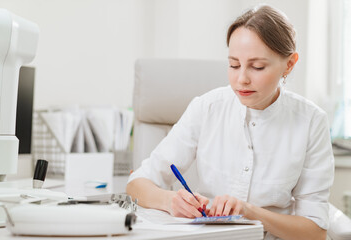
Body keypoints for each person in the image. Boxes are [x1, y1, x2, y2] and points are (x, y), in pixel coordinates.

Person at [126, 5, 334, 240]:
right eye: (234, 65)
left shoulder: (311, 122)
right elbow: (136, 185)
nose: (241, 79)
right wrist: (170, 200)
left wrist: (249, 212)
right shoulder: (207, 107)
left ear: (289, 64)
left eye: (257, 67)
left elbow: (315, 231)